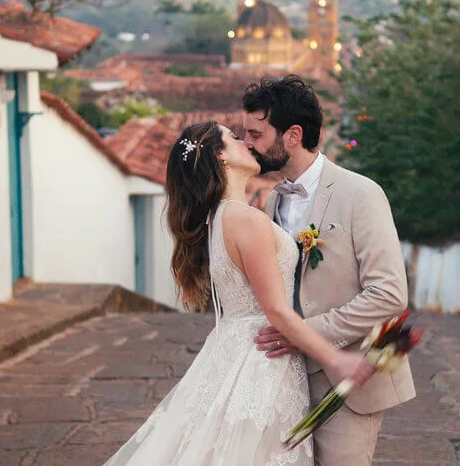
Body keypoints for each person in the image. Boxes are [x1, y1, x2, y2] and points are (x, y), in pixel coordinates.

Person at [103, 120, 373, 466]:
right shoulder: (245, 219)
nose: (246, 141)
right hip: (260, 360)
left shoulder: (218, 218)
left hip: (233, 350)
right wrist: (336, 358)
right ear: (221, 157)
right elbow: (276, 310)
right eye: (233, 137)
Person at [243, 75, 416, 466]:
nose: (248, 143)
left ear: (292, 135)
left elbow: (390, 293)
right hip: (285, 382)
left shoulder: (361, 194)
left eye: (256, 133)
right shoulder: (272, 202)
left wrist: (303, 335)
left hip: (349, 382)